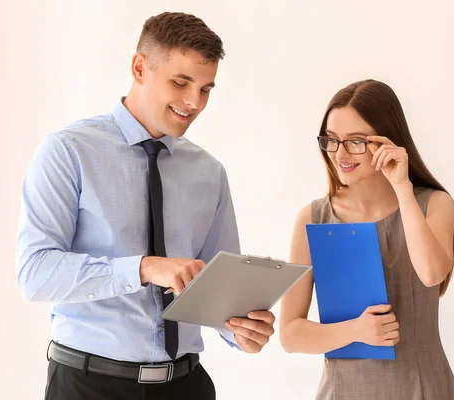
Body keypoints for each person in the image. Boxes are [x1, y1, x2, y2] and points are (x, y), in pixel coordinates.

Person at [16, 12, 275, 400]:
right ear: (140, 67)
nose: (194, 102)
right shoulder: (68, 151)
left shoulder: (209, 172)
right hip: (89, 386)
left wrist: (241, 331)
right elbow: (34, 273)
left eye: (206, 89)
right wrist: (144, 268)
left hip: (187, 386)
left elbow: (216, 286)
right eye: (181, 82)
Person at [279, 79, 454, 399]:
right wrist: (355, 331)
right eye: (332, 140)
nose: (341, 153)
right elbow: (290, 334)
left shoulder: (433, 203)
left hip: (423, 389)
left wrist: (403, 188)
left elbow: (432, 273)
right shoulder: (313, 218)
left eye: (357, 141)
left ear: (387, 141)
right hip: (343, 391)